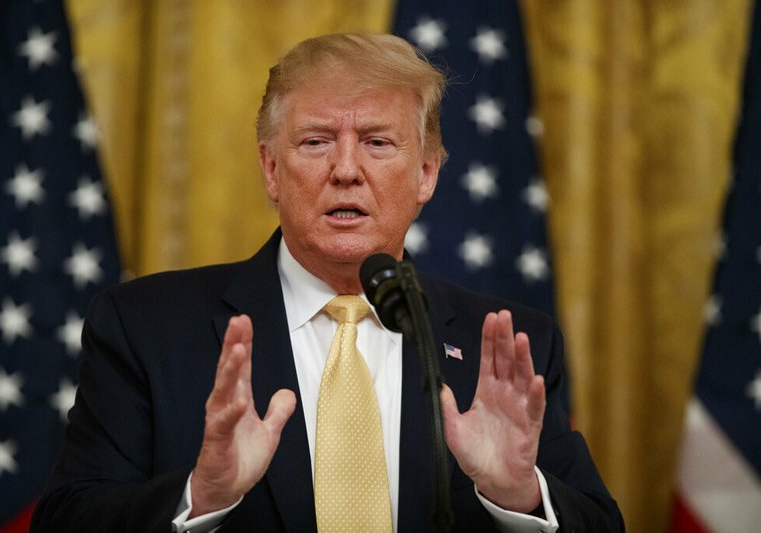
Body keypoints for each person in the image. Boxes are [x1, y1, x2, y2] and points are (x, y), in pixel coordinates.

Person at [30, 33, 623, 532]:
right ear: (270, 168)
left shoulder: (510, 345)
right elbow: (65, 519)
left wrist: (518, 497)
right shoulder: (145, 327)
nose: (345, 170)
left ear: (426, 173)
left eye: (377, 143)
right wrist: (199, 498)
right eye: (315, 142)